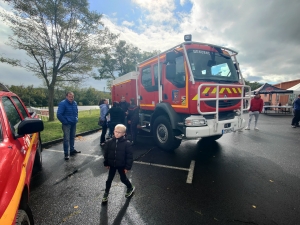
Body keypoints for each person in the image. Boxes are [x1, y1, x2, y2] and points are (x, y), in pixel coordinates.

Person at [102, 124, 135, 203]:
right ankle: (106, 192)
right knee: (109, 179)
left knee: (123, 179)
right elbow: (106, 153)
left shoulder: (127, 144)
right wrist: (106, 163)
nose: (116, 133)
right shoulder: (109, 142)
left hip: (121, 165)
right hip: (112, 165)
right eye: (115, 131)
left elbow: (129, 156)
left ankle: (130, 187)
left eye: (119, 132)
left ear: (123, 134)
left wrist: (127, 167)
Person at [57, 92, 81, 160]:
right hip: (67, 124)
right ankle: (66, 153)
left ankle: (72, 150)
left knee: (72, 137)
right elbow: (59, 114)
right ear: (66, 97)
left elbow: (76, 112)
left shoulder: (75, 103)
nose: (71, 98)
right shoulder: (63, 103)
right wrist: (65, 122)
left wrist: (76, 118)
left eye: (72, 96)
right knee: (66, 139)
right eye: (70, 96)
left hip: (73, 123)